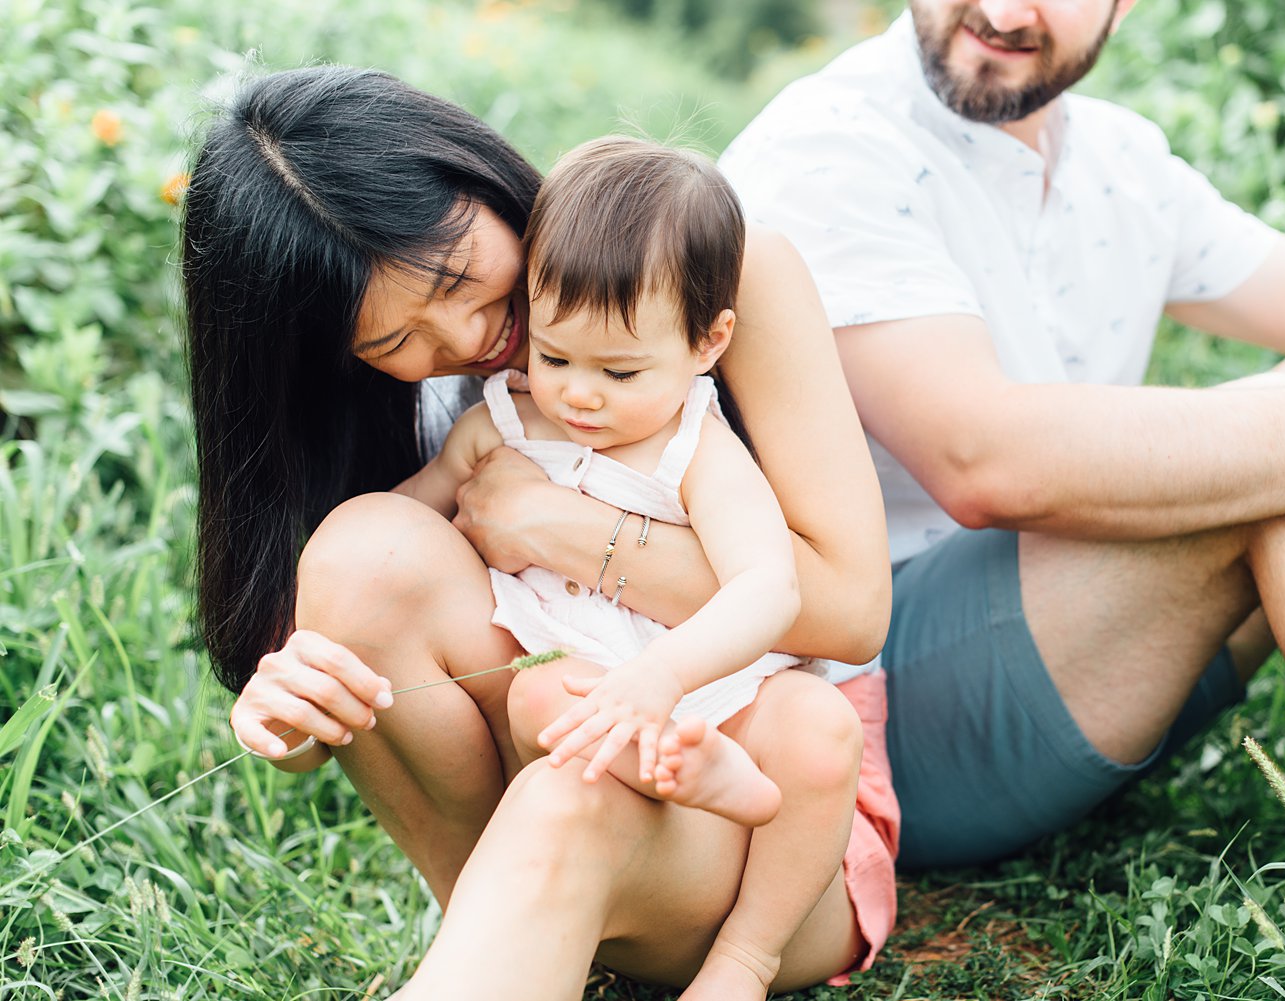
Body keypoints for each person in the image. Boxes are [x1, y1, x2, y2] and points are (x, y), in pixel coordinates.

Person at [720, 0, 1285, 868]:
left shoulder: (1117, 159)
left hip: (1087, 660)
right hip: (861, 704)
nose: (1006, 10)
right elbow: (983, 459)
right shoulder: (828, 148)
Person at [187, 67, 897, 998]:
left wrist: (562, 528)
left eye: (457, 276)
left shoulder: (710, 273)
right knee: (371, 550)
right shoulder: (441, 409)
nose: (471, 334)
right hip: (571, 739)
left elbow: (849, 614)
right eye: (388, 342)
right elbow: (367, 665)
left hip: (772, 811)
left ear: (478, 178)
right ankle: (510, 935)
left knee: (576, 785)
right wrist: (291, 706)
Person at [396, 134, 872, 999]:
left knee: (821, 727)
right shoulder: (505, 418)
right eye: (555, 355)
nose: (578, 393)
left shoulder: (698, 448)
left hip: (713, 686)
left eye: (618, 370)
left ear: (707, 340)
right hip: (588, 687)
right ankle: (674, 772)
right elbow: (410, 518)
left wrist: (665, 673)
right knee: (544, 694)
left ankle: (745, 957)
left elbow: (770, 585)